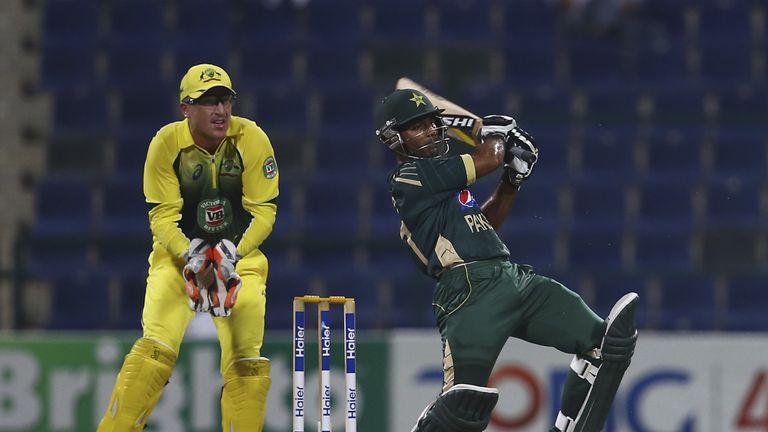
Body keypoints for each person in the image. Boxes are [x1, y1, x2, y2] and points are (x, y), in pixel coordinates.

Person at [374, 89, 638, 432]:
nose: (428, 131)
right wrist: (495, 134)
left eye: (430, 123)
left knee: (603, 345)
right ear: (395, 140)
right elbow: (488, 158)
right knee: (461, 409)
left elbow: (484, 225)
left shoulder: (446, 192)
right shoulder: (408, 179)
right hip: (469, 293)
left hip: (511, 277)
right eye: (416, 127)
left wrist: (512, 181)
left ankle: (567, 426)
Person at [98, 64, 278, 431]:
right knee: (155, 350)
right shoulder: (166, 143)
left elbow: (264, 212)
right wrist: (194, 256)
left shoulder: (252, 139)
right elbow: (163, 216)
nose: (220, 111)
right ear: (185, 108)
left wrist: (231, 256)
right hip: (178, 257)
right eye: (208, 102)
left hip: (240, 259)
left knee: (246, 359)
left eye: (225, 100)